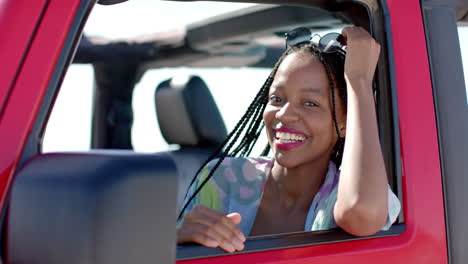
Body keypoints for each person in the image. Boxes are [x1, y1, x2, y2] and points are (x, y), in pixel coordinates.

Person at [176, 26, 401, 253]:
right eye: (276, 98)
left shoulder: (350, 195)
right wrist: (175, 239)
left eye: (310, 103)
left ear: (344, 123)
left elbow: (361, 213)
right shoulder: (223, 179)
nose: (284, 114)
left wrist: (359, 81)